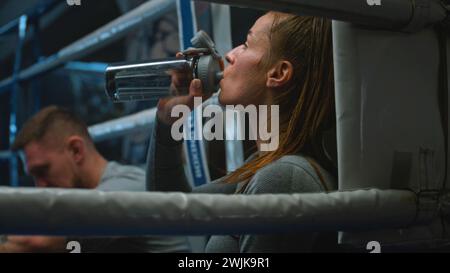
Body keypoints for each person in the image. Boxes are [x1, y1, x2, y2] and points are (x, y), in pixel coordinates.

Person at [147, 12, 338, 252]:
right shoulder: (267, 166)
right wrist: (168, 120)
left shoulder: (285, 177)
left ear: (278, 74)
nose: (229, 55)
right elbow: (168, 211)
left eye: (246, 45)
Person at [0, 106, 190, 253]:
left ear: (76, 150)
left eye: (43, 170)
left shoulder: (126, 187)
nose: (40, 185)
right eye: (33, 176)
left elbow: (38, 241)